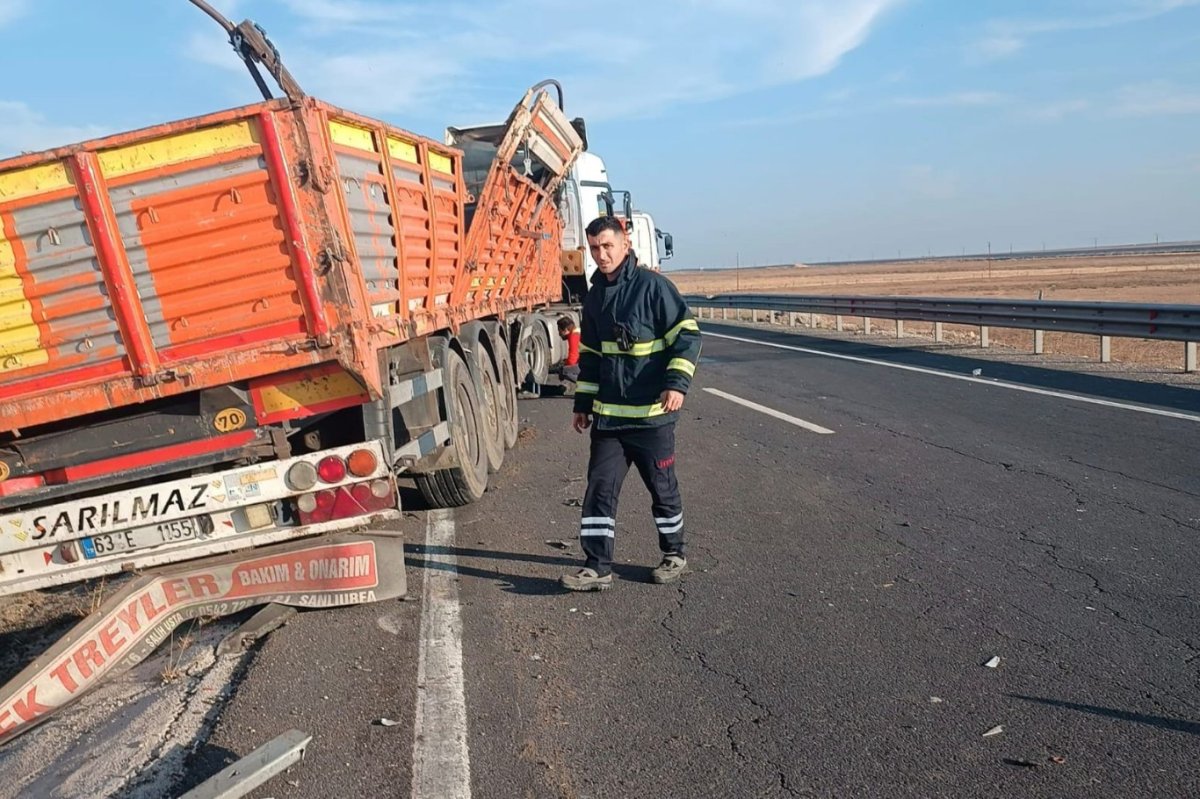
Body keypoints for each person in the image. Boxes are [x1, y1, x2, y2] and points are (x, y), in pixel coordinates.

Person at [561, 216, 701, 591]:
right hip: (609, 421)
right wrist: (582, 404)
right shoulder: (594, 298)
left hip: (652, 419)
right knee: (599, 491)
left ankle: (674, 554)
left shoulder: (653, 287)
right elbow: (590, 356)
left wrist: (676, 384)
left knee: (662, 489)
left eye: (607, 246)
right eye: (594, 248)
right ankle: (596, 567)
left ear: (625, 243)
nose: (601, 255)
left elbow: (687, 336)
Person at [552, 316, 581, 393]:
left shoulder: (573, 336)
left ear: (566, 330)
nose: (559, 334)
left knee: (564, 371)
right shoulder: (578, 332)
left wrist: (564, 368)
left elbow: (573, 356)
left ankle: (582, 382)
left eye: (559, 331)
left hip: (586, 365)